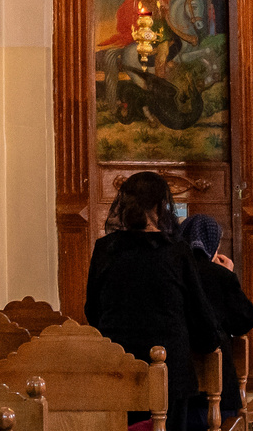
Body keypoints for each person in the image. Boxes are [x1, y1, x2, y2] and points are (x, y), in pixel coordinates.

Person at [86, 172, 221, 430]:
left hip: (116, 372)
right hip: (171, 375)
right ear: (162, 206)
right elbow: (200, 316)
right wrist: (210, 341)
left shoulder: (105, 249)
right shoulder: (176, 252)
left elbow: (93, 312)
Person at [180, 215, 253, 431]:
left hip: (174, 397)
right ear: (212, 245)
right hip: (216, 398)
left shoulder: (171, 272)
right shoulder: (219, 275)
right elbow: (244, 321)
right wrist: (227, 275)